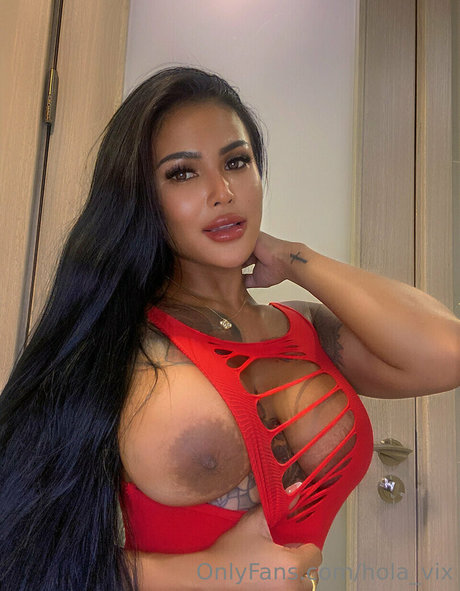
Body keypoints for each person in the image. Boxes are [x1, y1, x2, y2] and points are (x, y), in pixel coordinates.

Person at [0, 66, 458, 591]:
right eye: (182, 173)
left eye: (237, 162)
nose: (222, 192)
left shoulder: (306, 330)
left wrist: (296, 258)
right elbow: (20, 552)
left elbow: (447, 351)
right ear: (142, 198)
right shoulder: (112, 343)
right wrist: (208, 575)